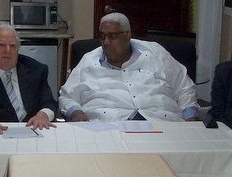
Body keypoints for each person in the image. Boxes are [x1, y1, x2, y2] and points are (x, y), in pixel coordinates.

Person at [58, 12, 198, 122]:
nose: (106, 42)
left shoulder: (156, 53)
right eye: (102, 36)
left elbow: (184, 87)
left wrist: (190, 118)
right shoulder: (89, 60)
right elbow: (67, 96)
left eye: (112, 36)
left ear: (128, 34)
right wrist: (76, 113)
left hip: (162, 123)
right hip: (108, 127)